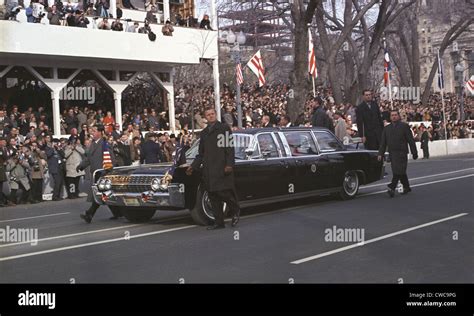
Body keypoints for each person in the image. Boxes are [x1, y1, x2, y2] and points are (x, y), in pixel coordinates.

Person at [186, 107, 240, 229]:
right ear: (205, 117)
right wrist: (193, 166)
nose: (211, 116)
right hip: (208, 170)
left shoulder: (223, 128)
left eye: (212, 114)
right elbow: (201, 154)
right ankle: (219, 222)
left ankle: (235, 209)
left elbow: (229, 148)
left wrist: (229, 164)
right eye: (208, 114)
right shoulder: (204, 133)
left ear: (215, 114)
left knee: (222, 193)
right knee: (213, 196)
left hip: (221, 168)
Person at [77, 126, 121, 223]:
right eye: (91, 131)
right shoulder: (93, 144)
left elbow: (111, 160)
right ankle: (117, 213)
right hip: (95, 173)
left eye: (94, 131)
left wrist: (107, 171)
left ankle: (89, 214)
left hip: (102, 173)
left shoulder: (104, 144)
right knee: (104, 194)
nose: (92, 132)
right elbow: (89, 158)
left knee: (99, 194)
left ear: (100, 132)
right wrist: (81, 165)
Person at [378, 110, 418, 198]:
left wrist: (414, 152)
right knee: (399, 171)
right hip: (392, 153)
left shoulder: (404, 126)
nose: (394, 117)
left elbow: (410, 140)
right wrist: (380, 153)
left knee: (398, 170)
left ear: (398, 116)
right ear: (390, 117)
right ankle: (406, 187)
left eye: (395, 115)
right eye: (392, 115)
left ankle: (392, 187)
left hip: (402, 152)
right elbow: (383, 143)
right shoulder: (386, 129)